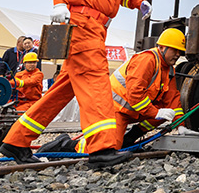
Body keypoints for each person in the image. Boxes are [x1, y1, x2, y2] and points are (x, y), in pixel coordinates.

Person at [0, 0, 152, 167]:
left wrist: (138, 2)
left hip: (96, 28)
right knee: (96, 82)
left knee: (61, 91)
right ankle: (102, 148)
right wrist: (59, 1)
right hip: (82, 25)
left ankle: (16, 141)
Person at [39, 28, 189, 154]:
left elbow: (173, 98)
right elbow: (135, 95)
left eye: (180, 52)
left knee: (167, 112)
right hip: (115, 110)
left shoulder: (168, 70)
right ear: (162, 47)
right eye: (175, 50)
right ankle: (67, 145)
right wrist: (156, 113)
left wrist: (180, 125)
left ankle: (131, 138)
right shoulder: (147, 61)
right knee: (108, 148)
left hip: (134, 111)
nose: (177, 55)